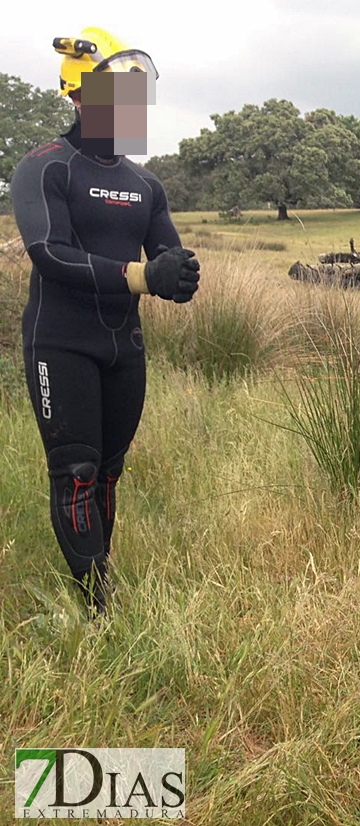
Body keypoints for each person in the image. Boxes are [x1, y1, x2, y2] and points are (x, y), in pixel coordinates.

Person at [11, 27, 201, 616]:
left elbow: (168, 257)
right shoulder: (44, 168)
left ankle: (99, 573)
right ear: (79, 96)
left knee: (109, 473)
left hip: (124, 348)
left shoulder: (145, 184)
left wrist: (180, 273)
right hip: (59, 343)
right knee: (78, 469)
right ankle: (98, 607)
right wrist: (143, 278)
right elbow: (50, 252)